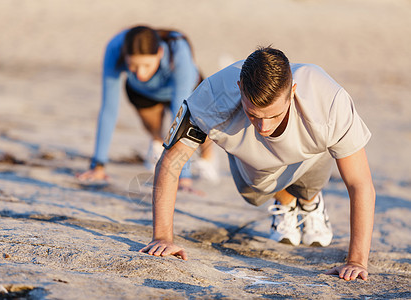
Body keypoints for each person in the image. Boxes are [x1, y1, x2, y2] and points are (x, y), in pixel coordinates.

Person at [139, 47, 376, 281]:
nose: (263, 127)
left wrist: (356, 261)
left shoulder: (328, 99)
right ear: (240, 88)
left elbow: (359, 183)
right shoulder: (212, 94)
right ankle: (284, 198)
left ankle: (309, 201)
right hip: (251, 164)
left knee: (313, 174)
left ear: (292, 92)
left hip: (309, 154)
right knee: (254, 195)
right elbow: (170, 161)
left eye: (273, 115)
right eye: (253, 114)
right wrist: (162, 237)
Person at [77, 25, 219, 187]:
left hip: (188, 90)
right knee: (154, 129)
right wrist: (98, 166)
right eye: (133, 67)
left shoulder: (178, 49)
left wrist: (183, 178)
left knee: (198, 126)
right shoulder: (115, 48)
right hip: (144, 93)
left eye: (146, 66)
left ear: (160, 52)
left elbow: (180, 114)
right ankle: (157, 145)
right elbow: (108, 109)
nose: (140, 74)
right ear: (125, 56)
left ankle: (207, 158)